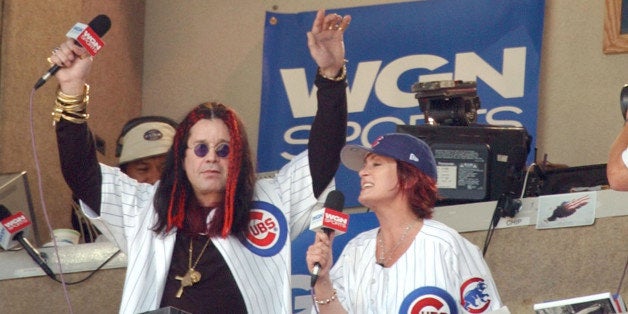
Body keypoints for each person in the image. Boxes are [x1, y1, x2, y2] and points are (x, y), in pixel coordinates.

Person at [49, 8, 350, 314]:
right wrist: (72, 89)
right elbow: (81, 174)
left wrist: (331, 77)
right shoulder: (146, 207)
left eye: (223, 149)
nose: (211, 159)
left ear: (238, 159)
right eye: (201, 148)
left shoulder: (272, 199)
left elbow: (324, 156)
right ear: (181, 158)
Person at [306, 133, 504, 313]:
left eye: (376, 164)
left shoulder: (445, 244)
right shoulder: (356, 250)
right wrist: (322, 282)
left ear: (408, 177)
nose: (362, 173)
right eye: (364, 166)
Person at [71, 116, 178, 242]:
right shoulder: (114, 206)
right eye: (143, 169)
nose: (155, 178)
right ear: (123, 174)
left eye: (165, 169)